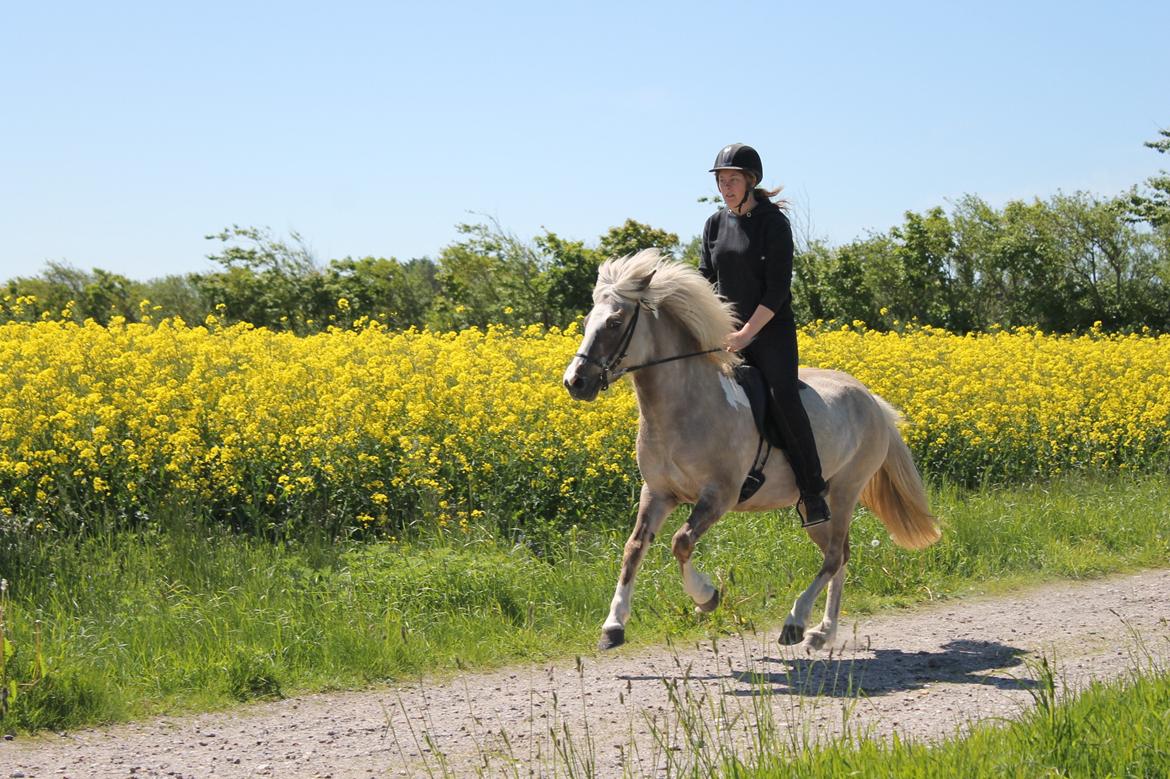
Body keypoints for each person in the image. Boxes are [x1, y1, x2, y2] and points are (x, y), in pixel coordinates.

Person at [698, 143, 831, 526]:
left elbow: (777, 291)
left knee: (782, 397)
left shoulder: (774, 224)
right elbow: (706, 280)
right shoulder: (714, 224)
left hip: (769, 332)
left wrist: (746, 334)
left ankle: (812, 490)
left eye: (733, 180)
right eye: (722, 181)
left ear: (751, 181)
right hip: (727, 333)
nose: (726, 187)